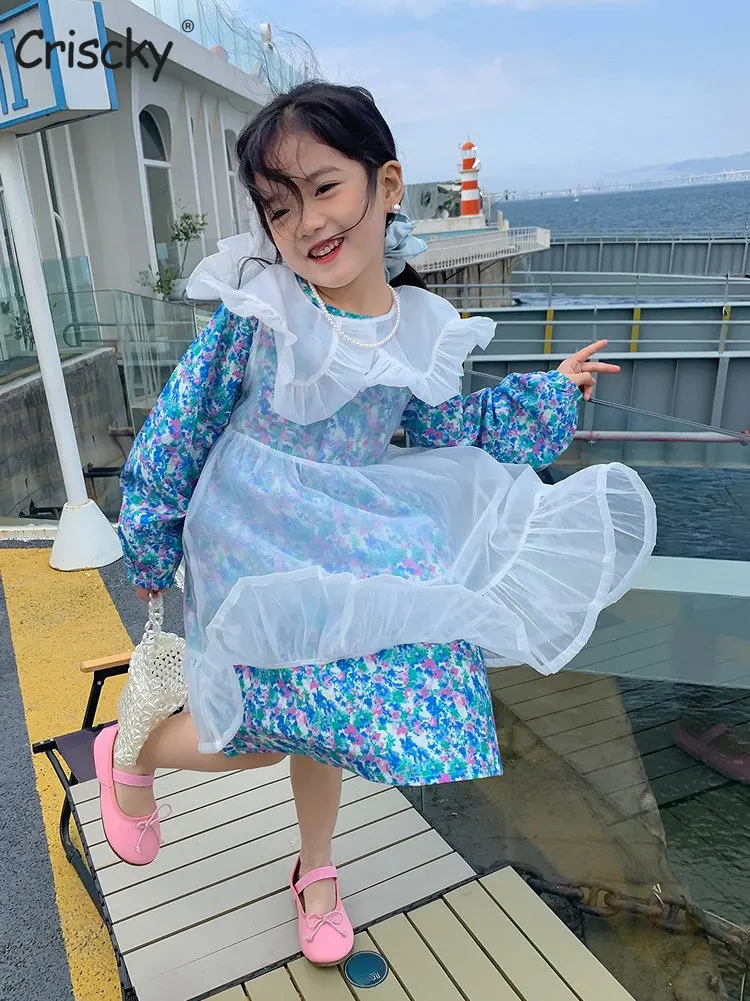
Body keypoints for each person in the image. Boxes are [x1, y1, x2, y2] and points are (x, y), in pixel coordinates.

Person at [94, 81, 657, 967]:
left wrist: (548, 392)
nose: (308, 222)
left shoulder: (414, 326)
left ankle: (316, 869)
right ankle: (132, 745)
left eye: (326, 188)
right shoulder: (262, 310)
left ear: (386, 184)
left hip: (344, 530)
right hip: (251, 532)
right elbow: (181, 421)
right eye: (281, 207)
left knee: (336, 710)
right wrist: (152, 536)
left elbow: (442, 427)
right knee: (258, 730)